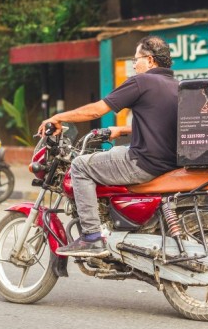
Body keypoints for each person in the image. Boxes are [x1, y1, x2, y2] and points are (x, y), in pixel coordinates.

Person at [37, 36, 179, 257]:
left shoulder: (142, 82)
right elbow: (160, 124)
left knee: (81, 166)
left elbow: (96, 110)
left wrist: (58, 117)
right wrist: (122, 130)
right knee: (112, 152)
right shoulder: (175, 85)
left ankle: (91, 237)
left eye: (136, 59)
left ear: (150, 60)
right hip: (167, 163)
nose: (134, 64)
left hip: (144, 162)